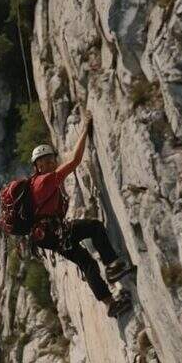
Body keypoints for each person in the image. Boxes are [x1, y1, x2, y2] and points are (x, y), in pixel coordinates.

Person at [28, 114, 135, 315]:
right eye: (45, 161)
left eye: (51, 159)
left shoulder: (34, 183)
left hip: (48, 236)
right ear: (38, 166)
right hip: (54, 233)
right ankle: (112, 266)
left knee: (86, 262)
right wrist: (85, 129)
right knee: (94, 228)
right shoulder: (45, 181)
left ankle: (111, 304)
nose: (50, 163)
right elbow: (75, 160)